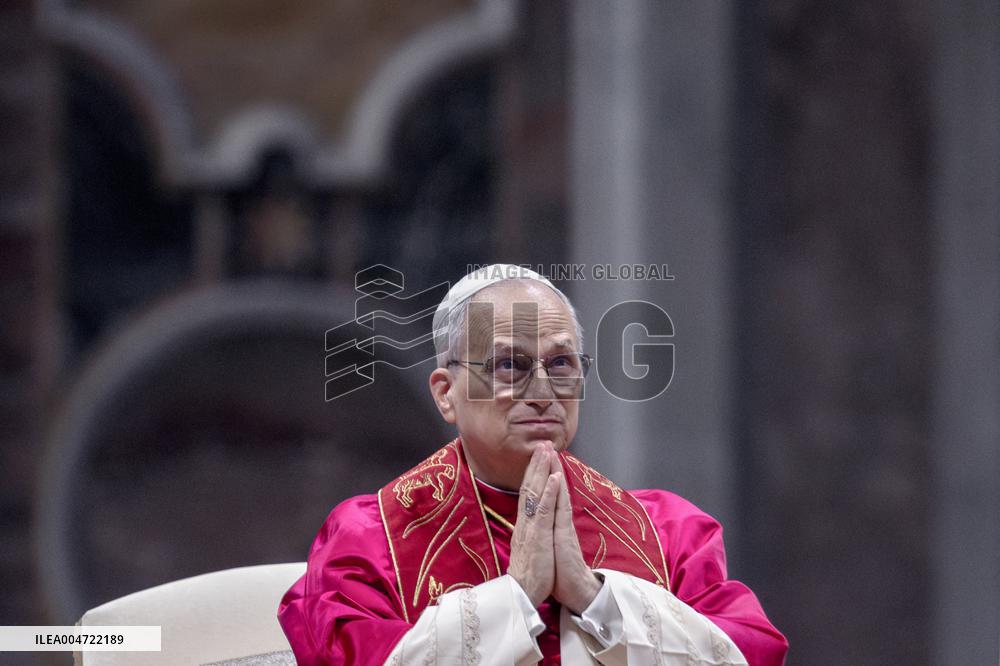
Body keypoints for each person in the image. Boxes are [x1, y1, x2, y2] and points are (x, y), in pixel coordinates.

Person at [278, 264, 788, 664]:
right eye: (510, 365)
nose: (543, 392)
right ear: (446, 393)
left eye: (561, 363)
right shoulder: (369, 540)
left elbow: (751, 652)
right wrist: (515, 597)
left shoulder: (667, 532)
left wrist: (594, 598)